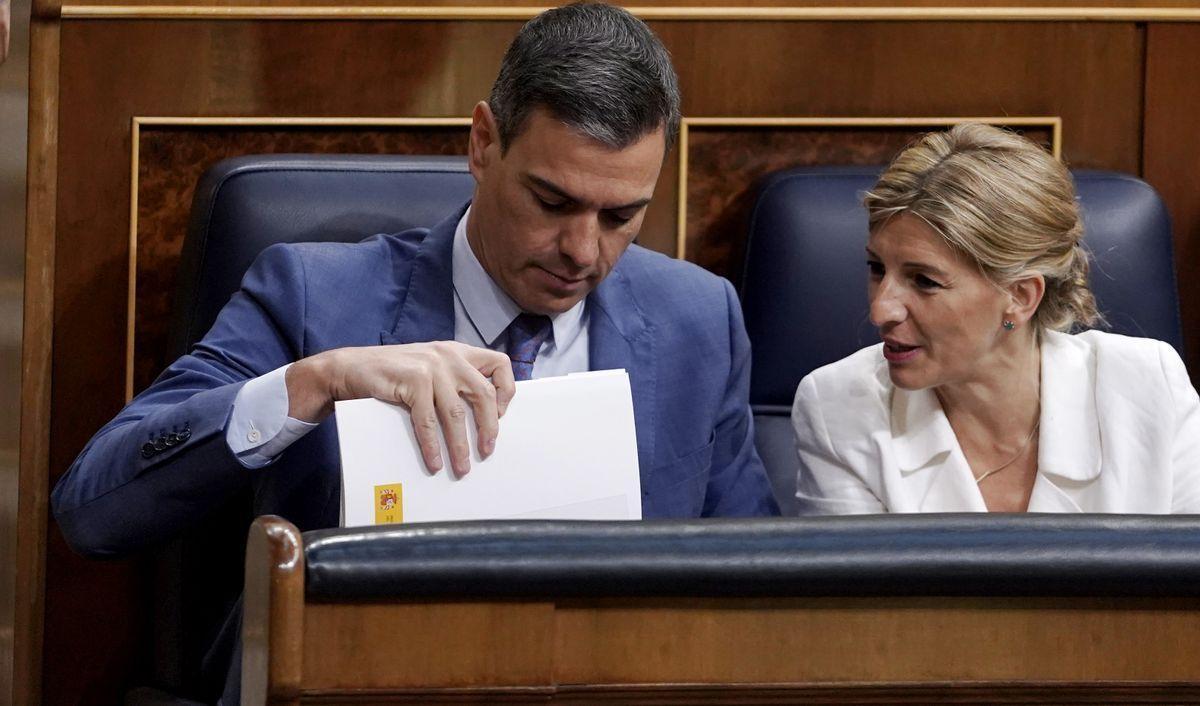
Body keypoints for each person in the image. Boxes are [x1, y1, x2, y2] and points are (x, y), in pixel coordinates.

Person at [53, 3, 778, 701]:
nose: (583, 252)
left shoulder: (697, 320)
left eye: (621, 216)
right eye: (552, 203)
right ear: (483, 144)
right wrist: (315, 381)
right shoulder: (315, 298)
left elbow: (759, 589)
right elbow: (94, 510)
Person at [792, 123, 1200, 515]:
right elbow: (858, 587)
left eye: (924, 281)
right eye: (877, 268)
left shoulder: (1148, 387)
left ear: (1020, 297)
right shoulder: (839, 407)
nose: (881, 309)